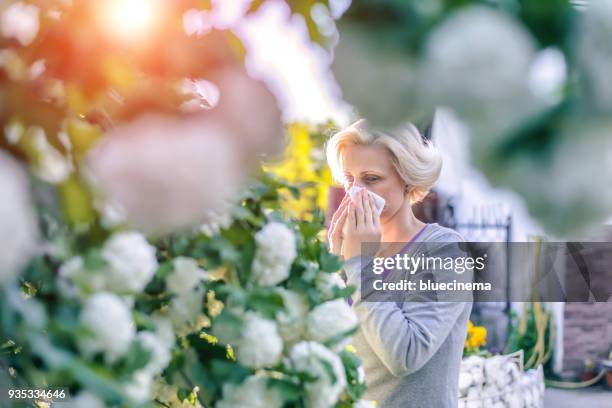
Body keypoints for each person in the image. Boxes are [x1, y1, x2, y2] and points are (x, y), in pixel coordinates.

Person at [326, 118, 472, 408]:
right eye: (349, 180)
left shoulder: (444, 250)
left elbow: (405, 355)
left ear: (406, 180)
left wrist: (358, 265)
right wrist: (334, 266)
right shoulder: (350, 252)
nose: (356, 193)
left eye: (371, 179)